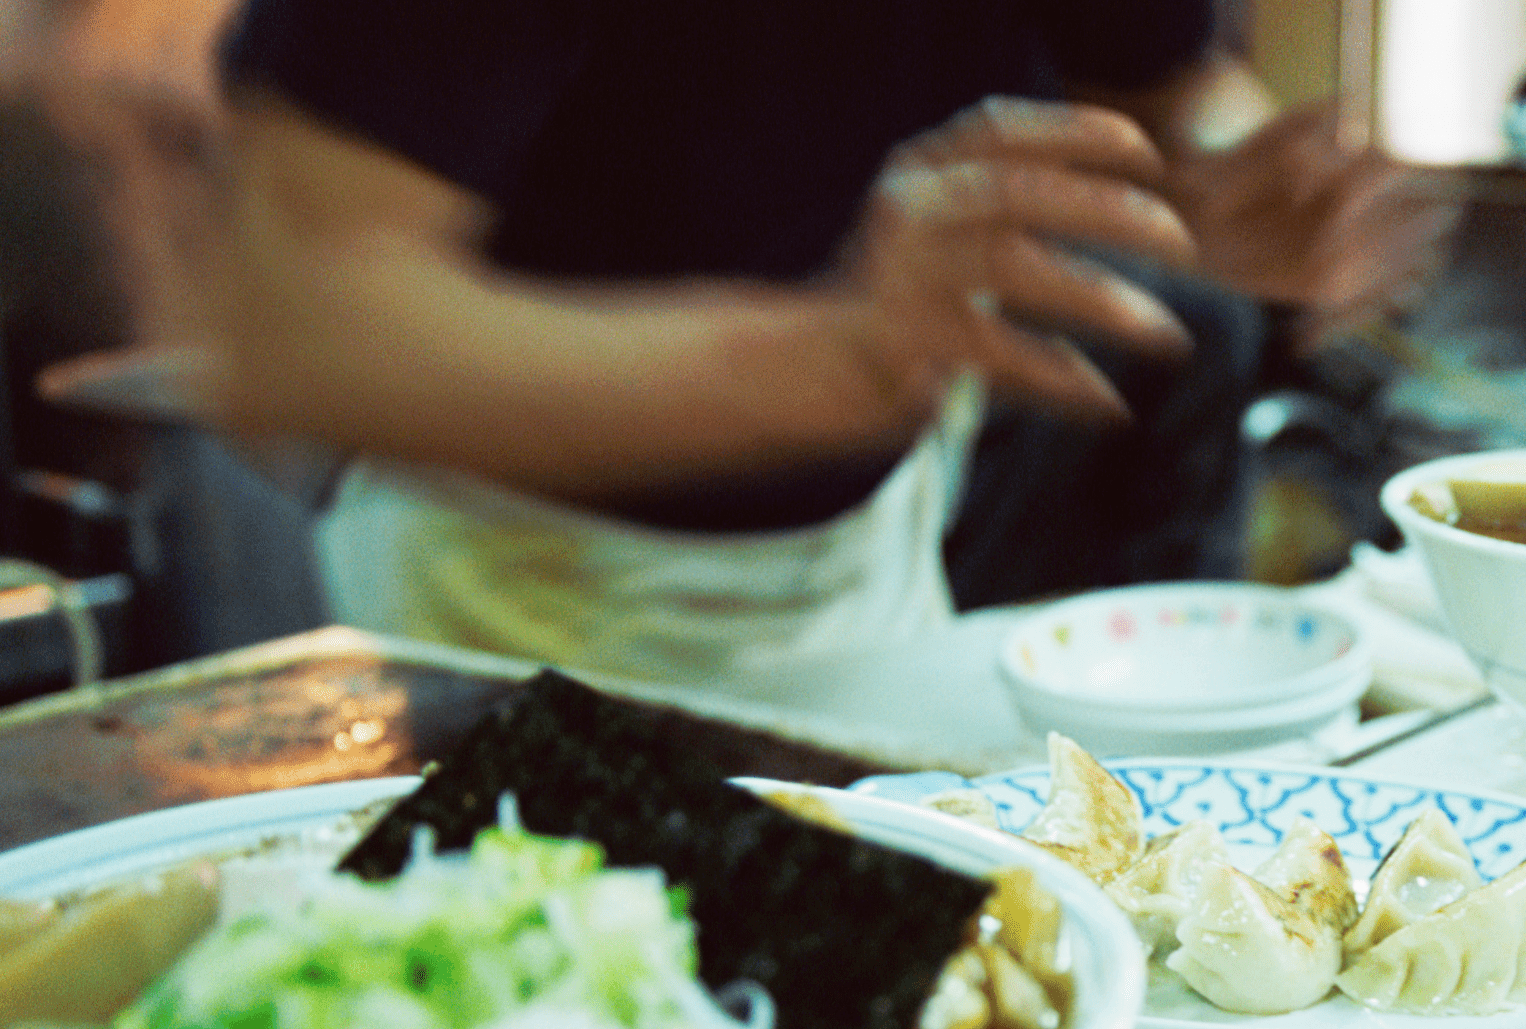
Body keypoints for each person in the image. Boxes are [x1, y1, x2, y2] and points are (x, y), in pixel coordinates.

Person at [161, 1, 1451, 688]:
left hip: (868, 584)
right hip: (499, 610)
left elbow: (1164, 93)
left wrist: (1223, 182)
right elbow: (293, 319)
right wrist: (820, 361)